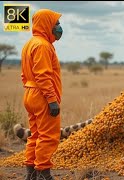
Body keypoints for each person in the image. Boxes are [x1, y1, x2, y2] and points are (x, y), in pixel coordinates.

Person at [20, 9, 63, 180]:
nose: (59, 27)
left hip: (30, 93)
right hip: (42, 96)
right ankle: (44, 174)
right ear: (47, 24)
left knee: (35, 135)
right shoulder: (43, 46)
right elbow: (43, 75)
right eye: (56, 24)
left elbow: (25, 74)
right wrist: (51, 100)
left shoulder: (30, 44)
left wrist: (31, 91)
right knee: (48, 136)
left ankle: (30, 174)